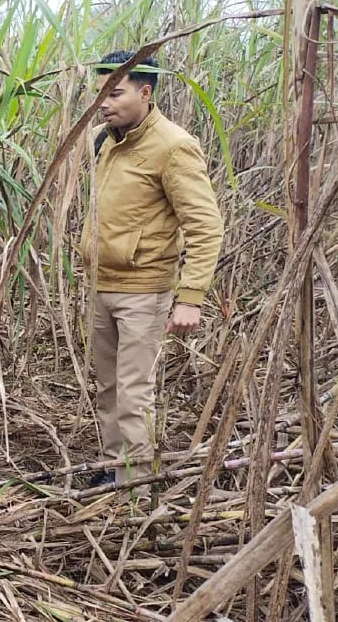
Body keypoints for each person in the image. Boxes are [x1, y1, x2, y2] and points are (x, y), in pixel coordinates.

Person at [81, 51, 223, 487]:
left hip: (143, 290)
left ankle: (136, 482)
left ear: (145, 92)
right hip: (102, 285)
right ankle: (113, 466)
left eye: (115, 92)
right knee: (107, 387)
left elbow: (206, 225)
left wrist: (190, 298)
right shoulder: (106, 139)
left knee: (133, 391)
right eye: (100, 90)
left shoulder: (173, 146)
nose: (103, 101)